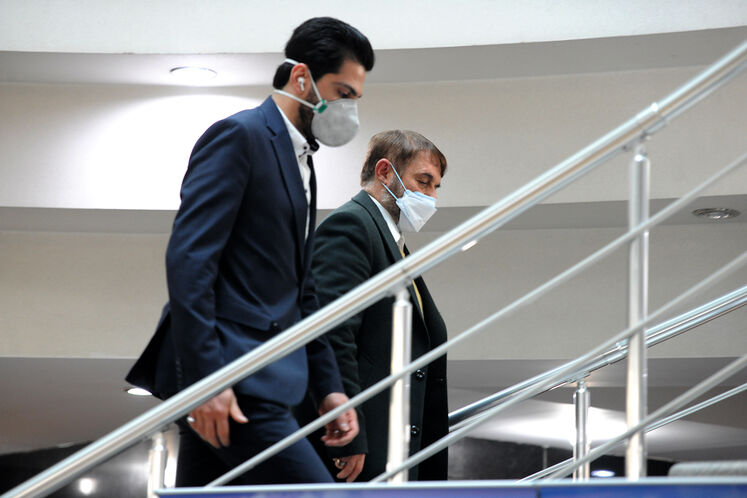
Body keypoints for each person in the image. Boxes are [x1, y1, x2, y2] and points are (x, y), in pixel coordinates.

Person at [125, 17, 375, 486]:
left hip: (268, 378)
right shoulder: (241, 136)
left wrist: (329, 389)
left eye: (355, 98)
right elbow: (190, 260)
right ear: (301, 77)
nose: (349, 109)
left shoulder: (303, 162)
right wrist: (207, 380)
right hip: (234, 376)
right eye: (343, 93)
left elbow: (302, 292)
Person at [297, 130, 449, 482]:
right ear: (384, 172)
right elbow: (333, 334)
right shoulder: (353, 225)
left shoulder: (393, 242)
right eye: (423, 181)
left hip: (391, 449)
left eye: (436, 187)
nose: (431, 196)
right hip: (358, 449)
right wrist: (347, 430)